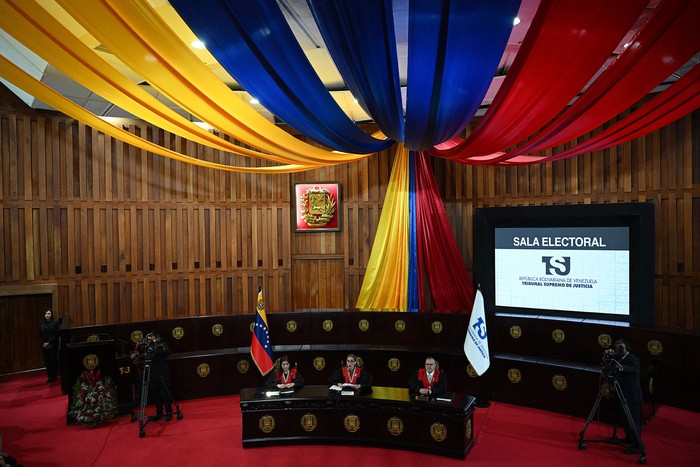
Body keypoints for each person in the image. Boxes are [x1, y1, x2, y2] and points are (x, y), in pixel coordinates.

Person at [610, 338, 643, 455]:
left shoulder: (633, 359)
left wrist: (621, 367)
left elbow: (635, 370)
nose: (618, 348)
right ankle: (629, 438)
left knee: (633, 420)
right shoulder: (616, 358)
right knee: (625, 419)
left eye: (621, 346)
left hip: (632, 396)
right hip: (621, 394)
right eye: (616, 346)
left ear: (626, 347)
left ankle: (637, 445)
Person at [134, 333, 175, 422]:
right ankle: (159, 413)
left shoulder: (162, 344)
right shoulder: (146, 347)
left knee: (165, 394)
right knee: (156, 394)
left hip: (163, 373)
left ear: (156, 338)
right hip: (152, 374)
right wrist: (137, 355)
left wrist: (157, 346)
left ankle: (169, 412)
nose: (150, 338)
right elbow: (142, 357)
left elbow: (168, 352)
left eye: (152, 337)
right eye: (148, 337)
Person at [38, 309, 60, 383]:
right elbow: (40, 335)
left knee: (53, 360)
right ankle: (49, 376)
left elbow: (56, 334)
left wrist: (49, 342)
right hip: (44, 345)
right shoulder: (41, 323)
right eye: (46, 314)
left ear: (51, 314)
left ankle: (54, 376)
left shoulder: (55, 322)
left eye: (49, 313)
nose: (47, 315)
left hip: (53, 344)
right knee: (47, 361)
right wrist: (44, 343)